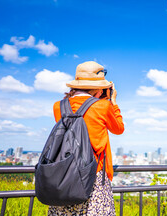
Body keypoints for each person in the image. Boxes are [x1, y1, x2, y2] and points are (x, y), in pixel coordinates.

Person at [48, 61, 124, 216]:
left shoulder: (58, 106)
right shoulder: (103, 106)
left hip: (63, 175)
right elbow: (119, 129)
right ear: (99, 87)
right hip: (93, 175)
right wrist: (112, 102)